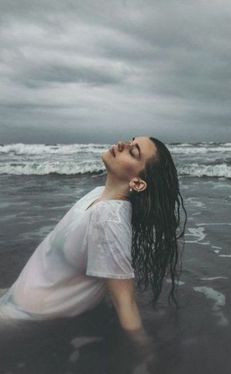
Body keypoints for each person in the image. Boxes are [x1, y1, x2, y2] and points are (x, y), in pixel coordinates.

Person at [0, 136, 187, 367]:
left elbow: (125, 302)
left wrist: (145, 355)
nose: (122, 145)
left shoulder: (108, 219)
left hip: (25, 315)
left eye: (133, 151)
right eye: (130, 141)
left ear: (138, 183)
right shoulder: (98, 195)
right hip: (16, 296)